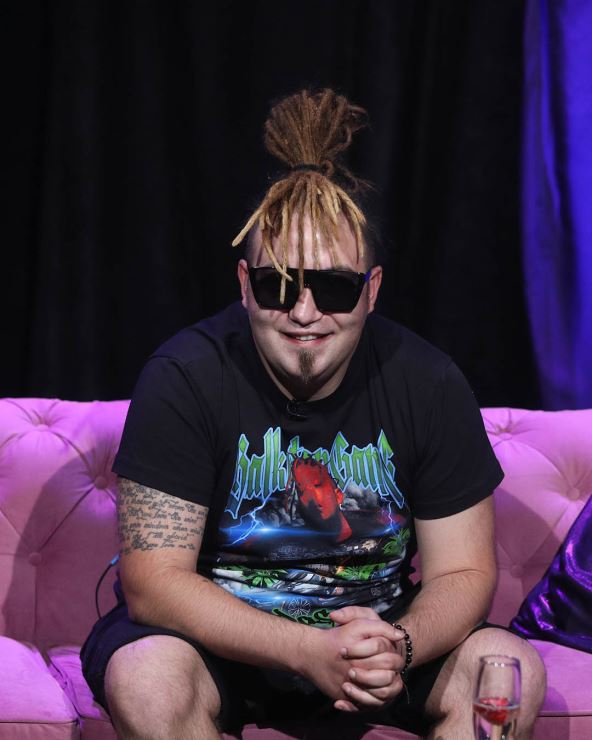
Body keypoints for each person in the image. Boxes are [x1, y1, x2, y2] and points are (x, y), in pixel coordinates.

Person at [81, 87, 546, 738]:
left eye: (333, 287)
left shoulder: (429, 382)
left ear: (371, 291)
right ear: (244, 286)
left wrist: (399, 645)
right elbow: (154, 583)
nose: (304, 313)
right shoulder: (184, 376)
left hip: (376, 636)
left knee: (505, 667)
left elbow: (464, 571)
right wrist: (306, 650)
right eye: (278, 286)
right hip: (220, 646)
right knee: (146, 678)